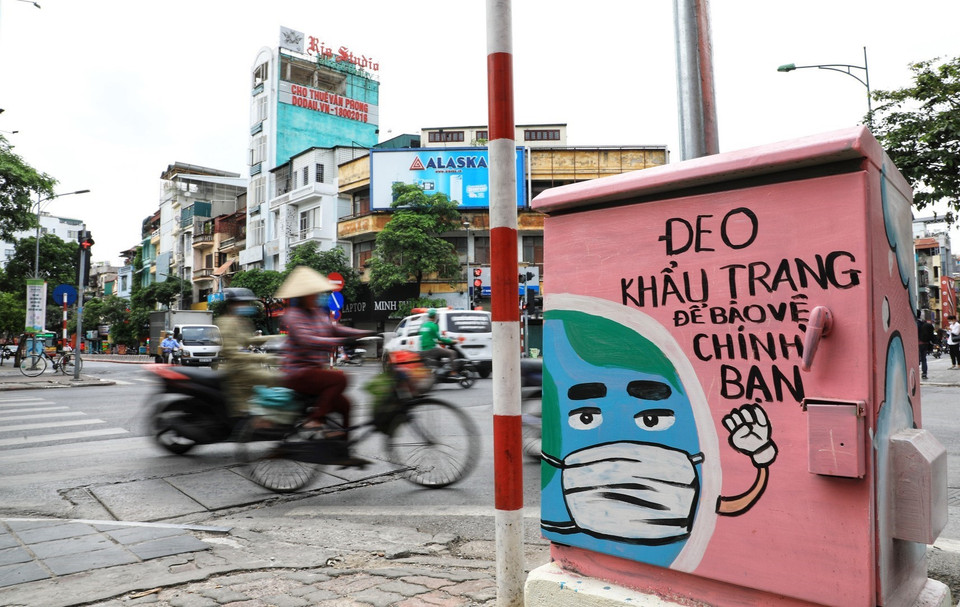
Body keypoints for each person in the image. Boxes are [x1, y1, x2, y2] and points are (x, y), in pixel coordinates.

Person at [275, 267, 374, 461]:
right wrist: (340, 342)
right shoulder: (293, 316)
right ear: (303, 295)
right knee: (339, 379)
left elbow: (335, 329)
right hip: (297, 373)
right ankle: (316, 419)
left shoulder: (318, 313)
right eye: (314, 293)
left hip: (313, 372)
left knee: (346, 405)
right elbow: (307, 340)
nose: (318, 295)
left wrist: (364, 333)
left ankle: (343, 452)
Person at [216, 287, 278, 416]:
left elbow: (248, 340)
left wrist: (276, 338)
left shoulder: (242, 321)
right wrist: (265, 358)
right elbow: (232, 353)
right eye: (244, 303)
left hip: (247, 366)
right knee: (276, 379)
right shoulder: (227, 323)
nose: (248, 306)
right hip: (238, 370)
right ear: (233, 305)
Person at [418, 308, 462, 376]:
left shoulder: (423, 326)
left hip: (422, 351)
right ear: (435, 316)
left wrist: (437, 342)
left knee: (440, 353)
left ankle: (440, 371)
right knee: (452, 353)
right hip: (431, 350)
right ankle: (454, 372)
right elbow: (441, 338)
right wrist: (452, 341)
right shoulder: (434, 325)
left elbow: (427, 338)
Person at [918, 314, 936, 379]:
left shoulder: (915, 323)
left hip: (917, 343)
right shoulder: (923, 323)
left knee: (916, 359)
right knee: (923, 359)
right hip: (925, 343)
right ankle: (924, 373)